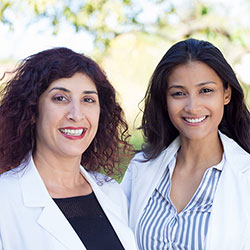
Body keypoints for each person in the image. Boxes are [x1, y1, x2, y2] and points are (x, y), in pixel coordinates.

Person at [0, 47, 138, 250]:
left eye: (88, 100)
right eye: (60, 98)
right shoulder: (5, 198)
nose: (76, 114)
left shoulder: (110, 192)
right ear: (32, 110)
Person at [121, 38, 250, 250]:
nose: (193, 107)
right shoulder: (140, 168)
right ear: (165, 100)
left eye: (206, 90)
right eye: (179, 93)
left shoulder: (246, 177)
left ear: (226, 93)